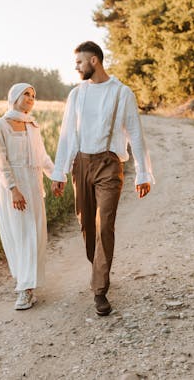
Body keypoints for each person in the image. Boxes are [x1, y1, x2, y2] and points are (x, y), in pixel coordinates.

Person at [51, 41, 154, 316]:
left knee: (104, 224)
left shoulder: (122, 93)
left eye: (79, 62)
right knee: (87, 225)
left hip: (109, 165)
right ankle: (99, 267)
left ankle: (100, 290)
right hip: (81, 164)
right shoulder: (76, 95)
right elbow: (67, 135)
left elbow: (136, 134)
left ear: (94, 61)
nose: (76, 67)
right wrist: (59, 172)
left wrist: (143, 173)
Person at [0, 83, 55, 310]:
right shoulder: (0, 126)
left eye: (34, 95)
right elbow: (0, 161)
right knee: (20, 236)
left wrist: (56, 177)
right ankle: (23, 287)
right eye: (26, 94)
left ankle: (29, 287)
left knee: (35, 236)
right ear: (15, 96)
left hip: (34, 188)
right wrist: (13, 189)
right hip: (13, 189)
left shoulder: (33, 125)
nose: (30, 98)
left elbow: (42, 157)